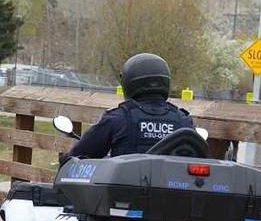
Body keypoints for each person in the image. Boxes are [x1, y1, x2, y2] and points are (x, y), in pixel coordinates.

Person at [61, 53, 193, 164]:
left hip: (122, 193)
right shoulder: (183, 121)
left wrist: (65, 160)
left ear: (128, 82)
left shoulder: (118, 119)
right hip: (173, 193)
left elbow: (80, 154)